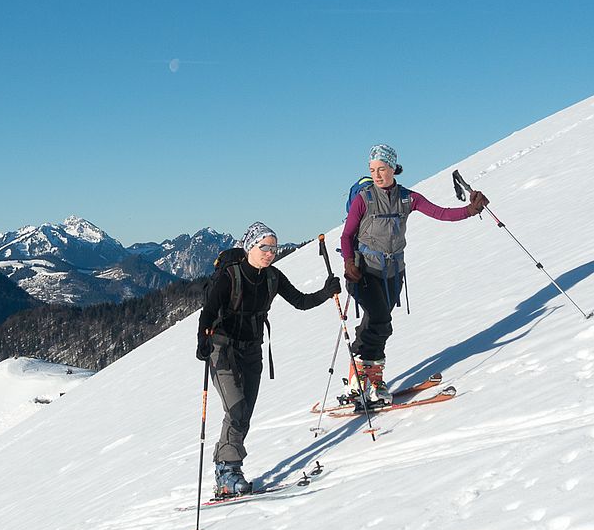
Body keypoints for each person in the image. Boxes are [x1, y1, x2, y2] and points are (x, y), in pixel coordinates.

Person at [196, 222, 341, 497]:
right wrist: (202, 341)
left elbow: (300, 301)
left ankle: (229, 468)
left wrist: (325, 292)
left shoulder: (273, 277)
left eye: (273, 248)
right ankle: (226, 470)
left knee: (244, 414)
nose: (270, 253)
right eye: (264, 247)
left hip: (252, 351)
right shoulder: (228, 276)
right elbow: (208, 311)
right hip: (222, 349)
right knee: (236, 409)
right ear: (250, 246)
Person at [341, 144, 487, 405]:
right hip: (364, 272)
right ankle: (373, 380)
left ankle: (358, 374)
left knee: (376, 321)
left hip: (393, 273)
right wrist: (349, 263)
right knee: (381, 320)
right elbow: (347, 235)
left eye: (381, 169)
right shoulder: (364, 199)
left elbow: (440, 213)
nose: (377, 175)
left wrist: (469, 210)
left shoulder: (408, 198)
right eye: (372, 170)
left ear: (393, 168)